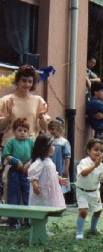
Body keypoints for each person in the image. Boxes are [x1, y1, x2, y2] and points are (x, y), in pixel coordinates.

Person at [0, 65, 49, 203]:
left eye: (30, 81)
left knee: (30, 180)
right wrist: (9, 116)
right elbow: (1, 127)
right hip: (10, 146)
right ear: (17, 81)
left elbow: (45, 128)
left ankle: (27, 216)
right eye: (23, 80)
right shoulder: (6, 100)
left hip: (31, 147)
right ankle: (11, 216)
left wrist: (41, 117)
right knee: (10, 180)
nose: (26, 84)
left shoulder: (38, 101)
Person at [2, 118, 34, 229]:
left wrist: (29, 163)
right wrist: (15, 161)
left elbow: (35, 155)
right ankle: (13, 221)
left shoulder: (30, 141)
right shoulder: (11, 141)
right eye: (20, 130)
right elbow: (6, 155)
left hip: (27, 170)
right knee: (13, 196)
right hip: (15, 170)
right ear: (14, 131)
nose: (22, 133)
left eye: (25, 131)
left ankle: (28, 220)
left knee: (27, 195)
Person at [75, 139, 103, 240]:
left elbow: (102, 179)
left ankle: (93, 227)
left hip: (94, 191)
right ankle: (79, 231)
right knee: (83, 211)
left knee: (98, 211)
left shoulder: (101, 166)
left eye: (101, 151)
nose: (99, 152)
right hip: (82, 191)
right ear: (88, 151)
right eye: (96, 150)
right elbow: (83, 173)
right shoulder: (84, 162)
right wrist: (94, 165)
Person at [28, 134, 67, 208]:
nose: (54, 147)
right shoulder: (39, 162)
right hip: (42, 189)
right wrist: (34, 184)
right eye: (52, 145)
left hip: (50, 189)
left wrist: (59, 178)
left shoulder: (48, 160)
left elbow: (52, 173)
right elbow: (32, 173)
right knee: (42, 203)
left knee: (49, 203)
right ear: (45, 147)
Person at [48, 118, 71, 196]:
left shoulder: (64, 142)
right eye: (50, 130)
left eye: (53, 129)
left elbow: (67, 157)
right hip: (51, 165)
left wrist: (66, 169)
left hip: (60, 166)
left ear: (59, 129)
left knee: (60, 184)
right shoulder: (50, 141)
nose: (51, 131)